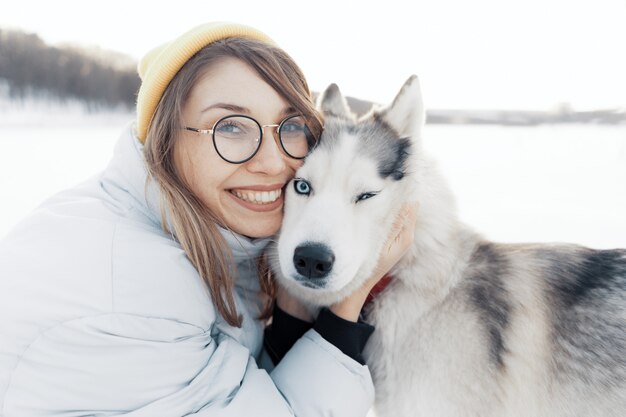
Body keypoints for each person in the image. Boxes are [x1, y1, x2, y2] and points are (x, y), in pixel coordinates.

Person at [0, 22, 416, 416]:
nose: (274, 162)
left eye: (289, 125)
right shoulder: (131, 293)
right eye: (231, 127)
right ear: (163, 138)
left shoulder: (194, 231)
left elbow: (238, 394)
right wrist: (347, 304)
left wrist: (290, 306)